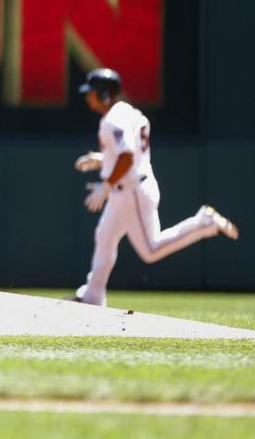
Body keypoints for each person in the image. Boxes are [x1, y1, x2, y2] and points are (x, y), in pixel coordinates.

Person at [72, 68, 239, 307]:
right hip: (129, 188)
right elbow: (128, 153)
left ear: (105, 95)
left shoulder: (112, 120)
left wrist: (106, 185)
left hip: (132, 192)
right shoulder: (130, 113)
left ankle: (203, 224)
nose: (88, 97)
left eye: (92, 93)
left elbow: (128, 156)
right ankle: (93, 296)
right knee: (105, 236)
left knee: (150, 250)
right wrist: (103, 159)